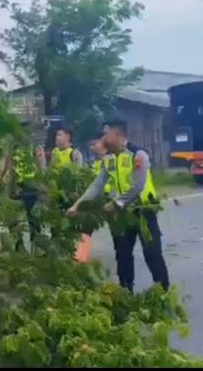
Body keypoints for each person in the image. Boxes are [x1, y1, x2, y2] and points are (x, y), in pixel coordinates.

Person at [67, 119, 170, 292]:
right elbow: (97, 185)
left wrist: (116, 203)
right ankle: (126, 292)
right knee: (122, 255)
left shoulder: (137, 155)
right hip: (120, 215)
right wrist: (78, 204)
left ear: (117, 134)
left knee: (152, 253)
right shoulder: (108, 159)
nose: (103, 138)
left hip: (142, 211)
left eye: (106, 134)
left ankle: (163, 291)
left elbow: (138, 185)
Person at [8, 138, 47, 251]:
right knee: (11, 216)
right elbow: (13, 170)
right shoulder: (14, 149)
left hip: (32, 187)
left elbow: (41, 168)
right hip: (19, 187)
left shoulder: (35, 148)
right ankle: (19, 244)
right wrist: (10, 187)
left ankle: (36, 245)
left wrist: (42, 188)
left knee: (33, 218)